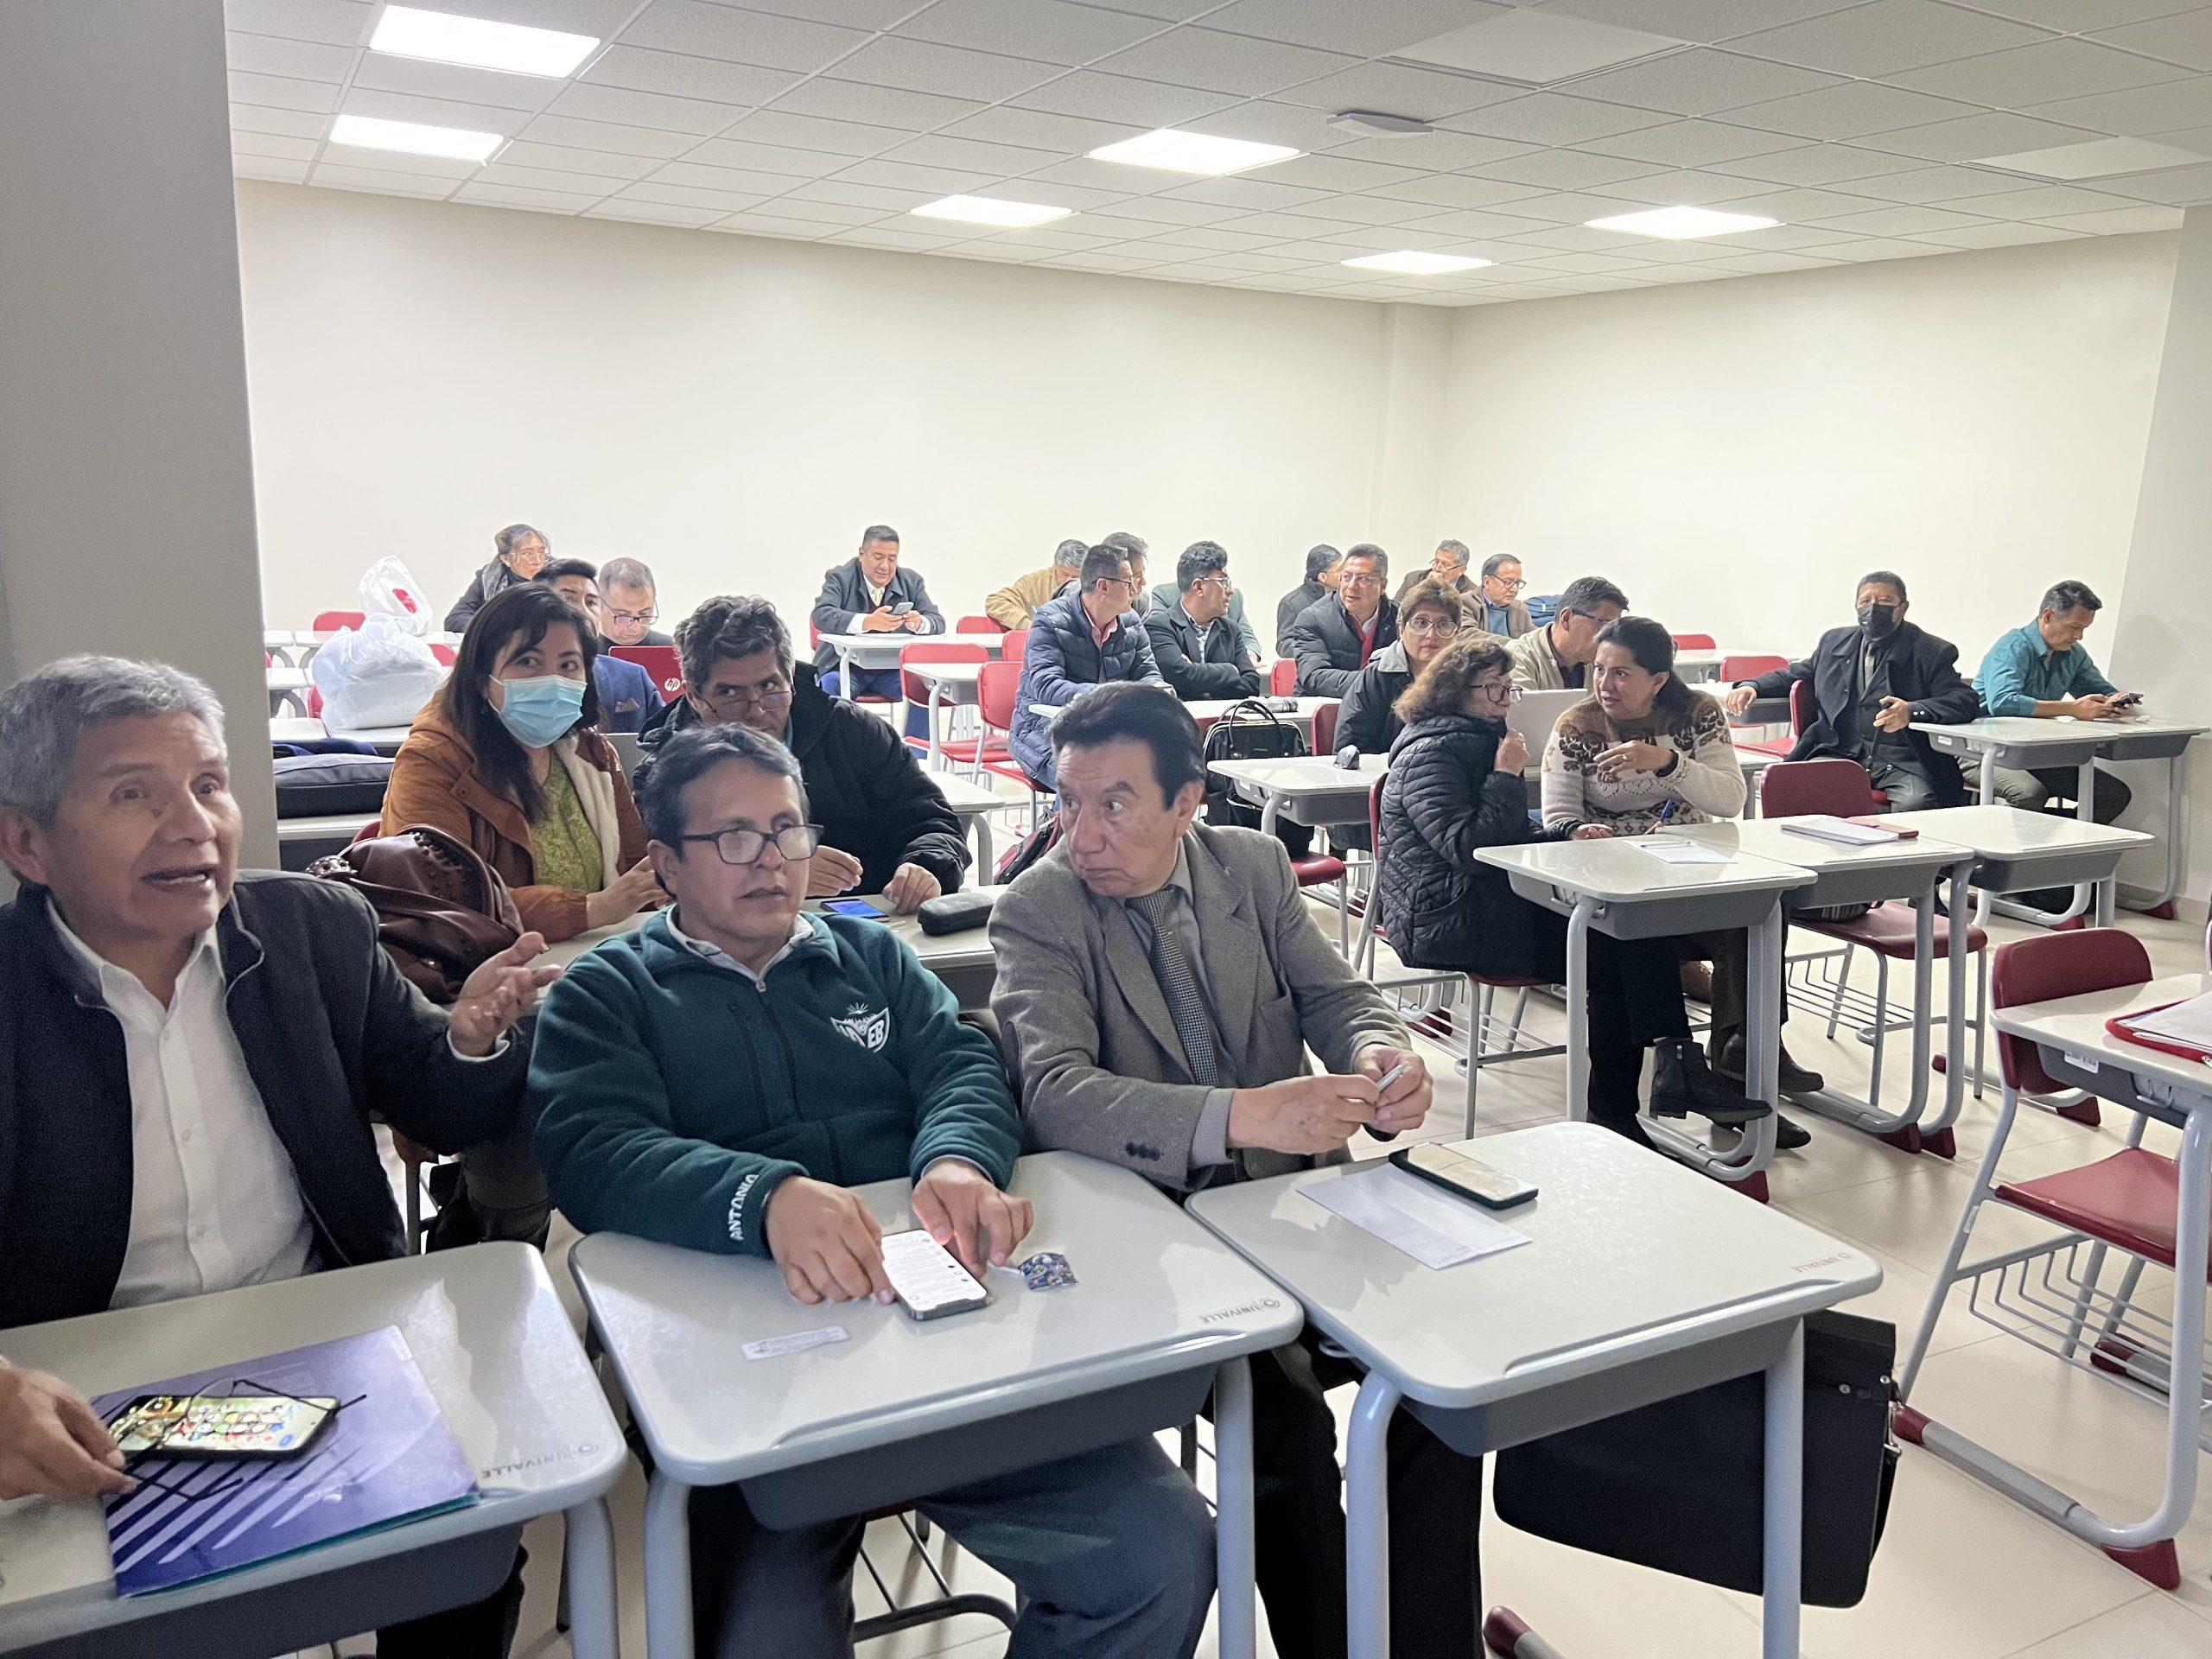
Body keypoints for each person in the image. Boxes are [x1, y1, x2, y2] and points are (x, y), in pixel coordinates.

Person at [531, 721, 1213, 1659]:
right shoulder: (608, 993)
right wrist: (764, 1198)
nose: (770, 860)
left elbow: (962, 1066)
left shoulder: (871, 958)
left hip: (945, 1351)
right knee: (764, 1636)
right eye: (734, 837)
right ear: (666, 865)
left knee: (1159, 1553)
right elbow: (594, 1150)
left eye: (787, 830)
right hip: (762, 1385)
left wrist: (957, 1161)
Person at [0, 657, 553, 1656]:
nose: (192, 827)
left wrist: (469, 1039)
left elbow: (439, 1104)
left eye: (209, 785)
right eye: (134, 794)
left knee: (465, 1556)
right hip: (82, 1393)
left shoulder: (314, 929)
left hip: (327, 1341)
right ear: (27, 841)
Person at [988, 682, 1476, 1659]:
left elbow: (1333, 995)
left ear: (1186, 802)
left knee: (1446, 1382)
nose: (1081, 833)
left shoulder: (1251, 868)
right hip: (1151, 1230)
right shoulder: (1037, 910)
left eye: (1114, 804)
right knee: (1281, 1414)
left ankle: (1425, 1643)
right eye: (1067, 802)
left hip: (1296, 1206)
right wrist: (1242, 1115)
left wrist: (1382, 1051)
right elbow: (1055, 1094)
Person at [1376, 639, 1760, 1142]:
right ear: (1454, 693)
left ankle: (1652, 1083)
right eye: (1492, 689)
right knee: (1611, 945)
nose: (1505, 699)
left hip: (1488, 898)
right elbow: (1470, 847)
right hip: (1447, 915)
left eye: (1507, 688)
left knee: (1620, 936)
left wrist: (1566, 833)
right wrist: (1505, 775)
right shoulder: (1432, 751)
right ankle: (1650, 1084)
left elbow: (1507, 836)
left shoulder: (1480, 737)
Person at [1542, 617, 1821, 1143]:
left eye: (1622, 674)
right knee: (1623, 940)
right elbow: (1556, 815)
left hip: (1690, 872)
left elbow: (1728, 799)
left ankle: (1739, 1069)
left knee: (1762, 915)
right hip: (1614, 886)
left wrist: (1668, 763)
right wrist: (1582, 829)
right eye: (1600, 671)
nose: (1606, 684)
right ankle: (1644, 1093)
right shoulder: (1576, 725)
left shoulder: (1698, 715)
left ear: (1659, 680)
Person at [635, 595, 966, 913]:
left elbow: (932, 821)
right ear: (693, 696)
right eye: (730, 693)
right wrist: (780, 872)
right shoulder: (665, 768)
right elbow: (661, 880)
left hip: (871, 924)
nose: (756, 711)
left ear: (791, 677)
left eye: (769, 687)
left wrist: (925, 866)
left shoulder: (852, 732)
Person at [382, 582, 661, 943]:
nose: (553, 679)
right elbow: (442, 899)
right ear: (482, 679)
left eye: (569, 665)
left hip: (591, 959)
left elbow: (636, 877)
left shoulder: (593, 755)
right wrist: (593, 909)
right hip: (481, 973)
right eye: (528, 661)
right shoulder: (433, 760)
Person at [1720, 571, 1978, 811]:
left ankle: (1898, 861)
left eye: (1885, 600)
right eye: (1866, 601)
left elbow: (1964, 700)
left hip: (1902, 761)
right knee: (1795, 789)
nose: (1873, 608)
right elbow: (1794, 675)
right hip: (1838, 751)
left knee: (1916, 803)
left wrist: (1911, 711)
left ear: (1903, 608)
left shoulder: (1930, 651)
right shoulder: (1834, 642)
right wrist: (1752, 686)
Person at [1972, 579, 2136, 823]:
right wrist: (2073, 709)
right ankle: (2029, 851)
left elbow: (2100, 690)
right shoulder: (2013, 646)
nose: (2079, 636)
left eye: (2084, 629)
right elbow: (2003, 703)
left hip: (2035, 751)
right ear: (2048, 616)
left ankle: (2058, 844)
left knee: (2113, 794)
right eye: (2074, 627)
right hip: (1985, 749)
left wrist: (2115, 701)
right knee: (2028, 794)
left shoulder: (2073, 654)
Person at [1008, 545, 1164, 788]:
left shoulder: (1132, 622)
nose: (1135, 590)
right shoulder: (1051, 621)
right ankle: (1060, 826)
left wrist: (1157, 688)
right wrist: (1107, 696)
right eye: (1128, 582)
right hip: (1046, 734)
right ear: (1103, 586)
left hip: (1110, 734)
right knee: (1088, 777)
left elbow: (1148, 671)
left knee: (1160, 774)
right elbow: (1047, 686)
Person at [1337, 578, 1464, 755]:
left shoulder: (1469, 679)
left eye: (1443, 625)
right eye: (1421, 623)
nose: (1431, 634)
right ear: (1401, 630)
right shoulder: (1376, 677)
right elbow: (1351, 746)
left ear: (1456, 634)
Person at [538, 558, 661, 734]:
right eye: (568, 599)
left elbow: (666, 746)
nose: (583, 611)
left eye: (591, 602)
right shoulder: (521, 678)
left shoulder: (633, 678)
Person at [1146, 541, 1264, 701]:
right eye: (1223, 582)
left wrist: (1197, 673)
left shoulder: (1230, 629)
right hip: (1182, 722)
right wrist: (1231, 670)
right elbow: (1183, 677)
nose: (1230, 591)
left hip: (1225, 721)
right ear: (1199, 587)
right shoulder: (1160, 627)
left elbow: (1251, 684)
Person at [1286, 543, 1396, 697]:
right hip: (1324, 708)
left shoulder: (1401, 618)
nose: (1351, 586)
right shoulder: (1313, 619)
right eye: (1346, 577)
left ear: (1382, 585)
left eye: (1363, 579)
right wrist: (1375, 682)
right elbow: (1314, 677)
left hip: (1381, 712)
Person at [1505, 575, 1629, 691]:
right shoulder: (1518, 657)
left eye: (1614, 627)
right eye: (1604, 623)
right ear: (1566, 618)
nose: (1610, 636)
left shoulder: (1600, 660)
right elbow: (1526, 711)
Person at [444, 522, 549, 632]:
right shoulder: (489, 578)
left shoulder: (559, 575)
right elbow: (455, 618)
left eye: (541, 552)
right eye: (527, 554)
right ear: (506, 559)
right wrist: (494, 628)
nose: (537, 561)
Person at [985, 538, 1086, 630]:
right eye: (1064, 574)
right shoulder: (1034, 583)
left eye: (1076, 577)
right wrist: (1027, 624)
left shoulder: (1095, 587)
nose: (1069, 580)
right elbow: (995, 602)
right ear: (1055, 567)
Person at [1275, 543, 1342, 656]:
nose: (1344, 575)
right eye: (1340, 570)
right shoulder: (1291, 603)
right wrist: (1320, 648)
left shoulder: (1344, 599)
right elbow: (1285, 645)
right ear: (1323, 577)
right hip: (1310, 667)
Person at [601, 556, 672, 646]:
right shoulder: (581, 650)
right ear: (598, 604)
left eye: (644, 614)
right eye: (623, 616)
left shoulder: (674, 651)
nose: (635, 628)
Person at [1468, 553, 1533, 639]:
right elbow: (1468, 635)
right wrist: (1513, 645)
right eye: (1508, 582)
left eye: (1517, 583)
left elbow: (1531, 636)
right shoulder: (1466, 603)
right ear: (1487, 582)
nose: (1515, 589)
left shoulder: (1519, 608)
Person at [1393, 537, 1471, 606]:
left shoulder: (1470, 594)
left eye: (1445, 564)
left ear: (1461, 570)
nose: (1437, 568)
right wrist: (1427, 585)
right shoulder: (1413, 579)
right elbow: (1396, 612)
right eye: (1437, 561)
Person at [1100, 530, 1154, 619]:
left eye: (1142, 574)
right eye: (1137, 577)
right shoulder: (1085, 604)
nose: (1143, 583)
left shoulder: (1139, 602)